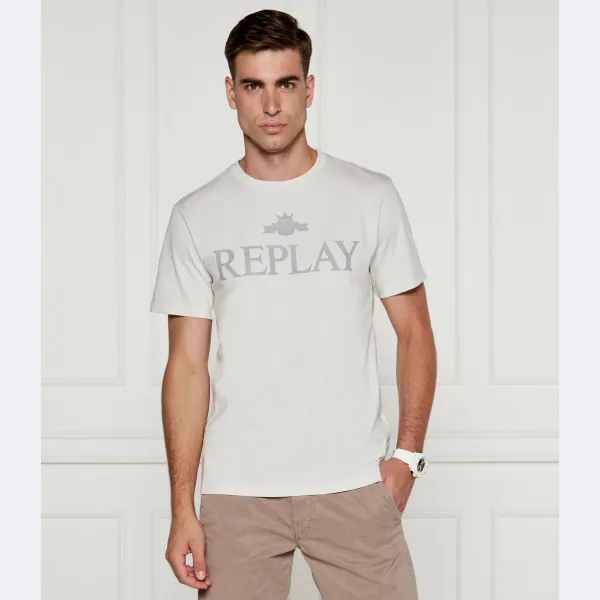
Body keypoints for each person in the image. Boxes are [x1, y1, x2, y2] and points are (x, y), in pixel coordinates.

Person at [150, 8, 437, 600]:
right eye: (253, 85)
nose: (271, 104)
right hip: (238, 493)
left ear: (309, 88)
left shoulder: (370, 197)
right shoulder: (196, 215)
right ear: (231, 93)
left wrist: (407, 457)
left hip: (355, 483)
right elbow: (186, 367)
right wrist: (182, 508)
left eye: (285, 83)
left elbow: (414, 330)